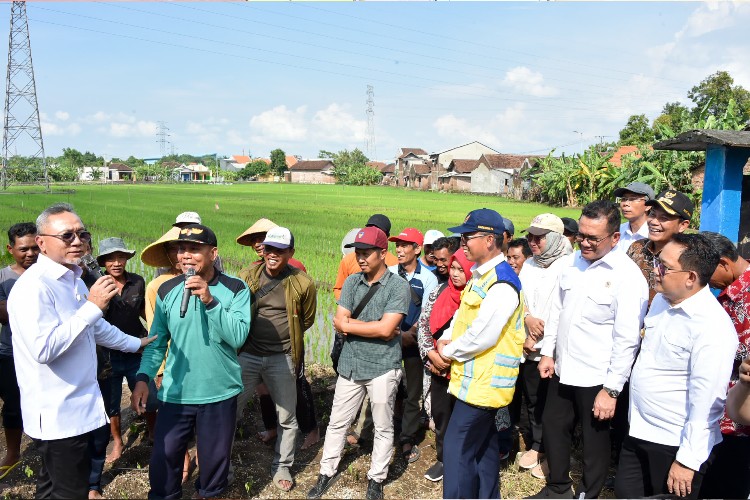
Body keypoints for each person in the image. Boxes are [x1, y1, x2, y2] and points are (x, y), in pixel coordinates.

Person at [7, 203, 154, 498]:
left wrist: (136, 343)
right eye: (66, 235)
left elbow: (95, 328)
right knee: (70, 492)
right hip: (59, 415)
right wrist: (91, 307)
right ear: (41, 243)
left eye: (81, 234)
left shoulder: (71, 278)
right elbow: (44, 349)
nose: (77, 241)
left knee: (52, 488)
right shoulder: (33, 288)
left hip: (79, 408)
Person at [531, 201, 648, 499]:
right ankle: (557, 487)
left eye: (593, 238)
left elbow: (627, 339)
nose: (584, 242)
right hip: (563, 366)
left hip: (598, 375)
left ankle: (588, 493)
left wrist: (611, 390)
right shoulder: (572, 263)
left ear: (615, 238)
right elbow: (558, 310)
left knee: (594, 441)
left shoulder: (627, 276)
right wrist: (548, 352)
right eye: (581, 235)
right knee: (555, 426)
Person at [131, 223, 250, 499]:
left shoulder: (235, 288)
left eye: (194, 250)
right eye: (181, 249)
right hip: (177, 392)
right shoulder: (166, 290)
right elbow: (156, 342)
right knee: (164, 457)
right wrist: (143, 378)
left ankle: (207, 493)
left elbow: (237, 337)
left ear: (213, 253)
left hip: (219, 391)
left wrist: (209, 300)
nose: (185, 256)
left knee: (214, 462)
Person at [614, 234, 738, 499]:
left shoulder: (711, 327)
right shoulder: (662, 299)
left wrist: (687, 461)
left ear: (691, 277)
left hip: (674, 444)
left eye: (665, 267)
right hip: (638, 430)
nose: (656, 272)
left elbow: (708, 402)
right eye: (658, 262)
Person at [308, 226, 410, 500]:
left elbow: (386, 330)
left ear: (382, 254)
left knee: (383, 425)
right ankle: (325, 473)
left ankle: (376, 478)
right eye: (358, 253)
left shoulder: (399, 286)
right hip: (351, 365)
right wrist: (366, 326)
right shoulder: (352, 282)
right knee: (337, 422)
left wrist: (352, 324)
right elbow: (339, 322)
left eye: (367, 253)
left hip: (382, 367)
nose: (361, 258)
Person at [435, 208, 526, 499]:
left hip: (484, 385)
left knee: (456, 448)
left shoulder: (502, 282)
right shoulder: (480, 276)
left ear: (489, 240)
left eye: (467, 237)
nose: (462, 243)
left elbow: (483, 335)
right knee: (484, 446)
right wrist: (446, 337)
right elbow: (463, 318)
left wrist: (449, 352)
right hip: (473, 381)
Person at [235, 226, 317, 492]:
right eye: (269, 249)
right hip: (247, 354)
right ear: (263, 250)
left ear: (290, 253)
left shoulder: (303, 283)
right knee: (228, 408)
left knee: (286, 416)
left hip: (282, 357)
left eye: (280, 250)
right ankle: (219, 461)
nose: (273, 254)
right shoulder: (246, 276)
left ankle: (282, 465)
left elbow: (306, 319)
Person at [517, 214, 573, 479]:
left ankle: (554, 452)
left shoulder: (570, 264)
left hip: (554, 347)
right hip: (528, 343)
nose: (532, 242)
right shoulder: (528, 264)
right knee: (533, 398)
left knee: (555, 405)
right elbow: (521, 298)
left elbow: (562, 309)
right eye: (530, 236)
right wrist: (527, 319)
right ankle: (538, 445)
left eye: (538, 237)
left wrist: (539, 336)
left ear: (554, 238)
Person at [698, 232, 750, 498]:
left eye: (707, 273)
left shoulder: (746, 297)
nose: (705, 280)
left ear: (724, 264)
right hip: (722, 415)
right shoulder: (731, 291)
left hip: (739, 423)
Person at [95, 237, 155, 464]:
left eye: (121, 257)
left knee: (147, 393)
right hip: (108, 354)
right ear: (103, 262)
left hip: (136, 350)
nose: (117, 262)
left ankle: (152, 431)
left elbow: (143, 311)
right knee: (111, 402)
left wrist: (156, 332)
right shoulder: (97, 284)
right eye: (111, 258)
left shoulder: (138, 282)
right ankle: (118, 442)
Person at [417, 249, 473, 482]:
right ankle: (443, 459)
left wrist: (449, 359)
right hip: (437, 366)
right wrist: (431, 354)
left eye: (462, 269)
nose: (456, 274)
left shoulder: (477, 297)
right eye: (453, 268)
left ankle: (463, 461)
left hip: (465, 369)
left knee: (465, 418)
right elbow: (424, 325)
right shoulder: (439, 291)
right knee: (442, 415)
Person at [388, 227, 438, 465]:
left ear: (417, 249)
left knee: (413, 393)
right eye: (397, 245)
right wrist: (396, 333)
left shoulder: (428, 278)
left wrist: (410, 333)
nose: (399, 249)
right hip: (388, 339)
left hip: (413, 342)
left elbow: (427, 313)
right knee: (383, 387)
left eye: (405, 245)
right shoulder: (388, 273)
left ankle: (406, 437)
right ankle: (379, 432)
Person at [0, 222, 39, 480]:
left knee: (42, 402)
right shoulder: (4, 277)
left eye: (35, 248)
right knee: (13, 405)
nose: (30, 254)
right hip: (10, 352)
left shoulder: (52, 272)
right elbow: (4, 316)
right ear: (10, 249)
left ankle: (44, 446)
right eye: (23, 249)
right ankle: (13, 452)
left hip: (45, 354)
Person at [627, 189, 692, 303]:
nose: (654, 222)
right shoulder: (636, 247)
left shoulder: (688, 257)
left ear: (682, 225)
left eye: (664, 218)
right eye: (652, 214)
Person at [332, 214, 398, 300]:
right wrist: (347, 307)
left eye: (379, 232)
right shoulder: (348, 260)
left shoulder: (395, 264)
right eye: (370, 229)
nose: (361, 260)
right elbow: (339, 288)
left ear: (386, 237)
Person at [613, 182, 654, 253]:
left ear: (648, 206)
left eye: (632, 199)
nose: (625, 204)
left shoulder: (654, 235)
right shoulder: (617, 231)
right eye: (624, 199)